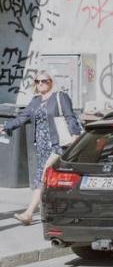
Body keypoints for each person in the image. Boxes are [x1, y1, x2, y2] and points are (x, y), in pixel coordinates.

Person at [1, 72, 82, 224]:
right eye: (37, 81)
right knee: (48, 178)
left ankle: (29, 213)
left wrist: (75, 134)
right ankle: (56, 210)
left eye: (44, 81)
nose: (40, 84)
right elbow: (23, 117)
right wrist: (6, 127)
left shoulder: (60, 97)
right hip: (42, 146)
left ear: (50, 82)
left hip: (57, 144)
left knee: (42, 175)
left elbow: (70, 116)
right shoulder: (36, 101)